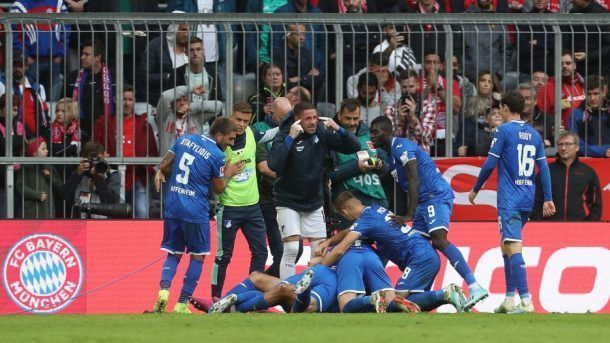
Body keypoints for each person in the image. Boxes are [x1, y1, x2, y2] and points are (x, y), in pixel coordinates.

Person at [369, 116, 488, 310]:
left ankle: (474, 286)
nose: (372, 135)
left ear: (388, 132)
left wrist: (408, 214)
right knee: (420, 249)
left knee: (439, 239)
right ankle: (427, 295)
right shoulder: (390, 155)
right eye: (371, 132)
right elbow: (394, 175)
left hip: (435, 195)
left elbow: (414, 178)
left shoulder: (401, 147)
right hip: (424, 201)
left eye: (376, 131)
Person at [469, 91, 556, 313]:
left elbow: (490, 164)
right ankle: (509, 298)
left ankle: (526, 300)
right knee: (505, 244)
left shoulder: (503, 131)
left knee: (513, 245)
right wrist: (547, 197)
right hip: (528, 197)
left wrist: (475, 189)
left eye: (501, 108)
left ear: (506, 108)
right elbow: (543, 168)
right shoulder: (534, 135)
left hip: (510, 199)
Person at [319, 191, 467, 313]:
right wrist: (329, 242)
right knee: (409, 305)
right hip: (426, 253)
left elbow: (339, 250)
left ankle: (446, 293)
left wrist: (318, 270)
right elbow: (349, 230)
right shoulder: (376, 209)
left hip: (418, 257)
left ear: (344, 212)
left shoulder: (365, 221)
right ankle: (448, 296)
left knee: (393, 303)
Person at [151, 117, 242, 314]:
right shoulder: (217, 155)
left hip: (173, 205)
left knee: (173, 253)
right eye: (230, 139)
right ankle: (182, 304)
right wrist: (228, 173)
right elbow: (218, 189)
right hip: (195, 210)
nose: (232, 144)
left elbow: (165, 165)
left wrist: (165, 174)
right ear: (218, 136)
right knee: (197, 257)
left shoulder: (184, 139)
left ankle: (164, 292)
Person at [267, 101, 360, 278]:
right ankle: (286, 295)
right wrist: (290, 138)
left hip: (314, 202)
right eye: (307, 118)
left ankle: (310, 293)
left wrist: (338, 128)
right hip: (288, 201)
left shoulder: (321, 133)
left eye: (315, 117)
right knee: (292, 248)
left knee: (318, 251)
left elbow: (354, 146)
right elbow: (274, 164)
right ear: (297, 120)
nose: (312, 122)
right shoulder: (285, 134)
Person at [211, 102, 279, 299]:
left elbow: (274, 132)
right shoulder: (218, 145)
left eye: (245, 121)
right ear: (229, 117)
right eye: (237, 119)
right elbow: (215, 185)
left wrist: (293, 120)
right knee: (224, 257)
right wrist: (228, 174)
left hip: (252, 207)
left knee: (260, 253)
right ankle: (216, 297)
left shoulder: (253, 134)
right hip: (229, 208)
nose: (241, 125)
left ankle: (250, 296)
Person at [93, 85, 158, 218]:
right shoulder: (103, 123)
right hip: (111, 177)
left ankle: (140, 240)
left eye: (130, 100)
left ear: (134, 101)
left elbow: (152, 152)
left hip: (137, 177)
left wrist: (147, 168)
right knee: (113, 217)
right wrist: (101, 156)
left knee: (141, 214)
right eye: (124, 99)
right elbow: (94, 147)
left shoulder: (144, 125)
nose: (127, 103)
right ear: (116, 99)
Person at [329, 98, 388, 230]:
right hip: (350, 201)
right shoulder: (331, 137)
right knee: (353, 245)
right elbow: (330, 175)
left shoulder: (368, 133)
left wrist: (380, 165)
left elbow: (386, 167)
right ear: (339, 116)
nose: (352, 123)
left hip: (378, 199)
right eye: (348, 118)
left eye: (355, 118)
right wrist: (357, 167)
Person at [253, 97, 294, 277]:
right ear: (273, 114)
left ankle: (263, 287)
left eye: (290, 116)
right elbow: (263, 167)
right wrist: (293, 176)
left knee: (295, 251)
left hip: (290, 198)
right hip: (268, 198)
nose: (287, 120)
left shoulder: (295, 128)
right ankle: (263, 289)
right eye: (283, 117)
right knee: (279, 251)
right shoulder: (260, 130)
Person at [203, 262, 338, 314]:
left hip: (316, 296)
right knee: (257, 277)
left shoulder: (334, 276)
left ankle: (233, 307)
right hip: (314, 277)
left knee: (283, 290)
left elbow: (337, 252)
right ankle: (223, 303)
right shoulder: (319, 269)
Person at [532, 131, 602, 221]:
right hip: (549, 227)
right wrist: (538, 221)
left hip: (580, 227)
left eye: (568, 144)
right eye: (560, 144)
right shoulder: (546, 171)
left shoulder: (588, 172)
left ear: (577, 147)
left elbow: (596, 203)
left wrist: (590, 223)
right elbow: (535, 199)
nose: (563, 148)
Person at [167, 36, 224, 126]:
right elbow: (170, 100)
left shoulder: (212, 75)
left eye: (198, 49)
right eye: (191, 50)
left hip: (207, 129)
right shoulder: (177, 74)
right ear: (186, 52)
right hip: (184, 127)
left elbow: (218, 102)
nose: (195, 53)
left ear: (203, 51)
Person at [65, 39, 115, 141]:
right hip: (78, 133)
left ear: (98, 57)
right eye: (82, 54)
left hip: (105, 133)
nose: (82, 57)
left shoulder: (114, 78)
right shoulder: (72, 77)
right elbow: (64, 103)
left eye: (87, 54)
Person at [61, 141, 120, 218]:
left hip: (103, 224)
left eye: (99, 160)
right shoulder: (79, 173)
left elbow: (112, 201)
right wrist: (77, 174)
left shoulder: (111, 174)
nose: (95, 163)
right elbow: (65, 196)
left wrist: (99, 177)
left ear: (104, 157)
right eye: (92, 160)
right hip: (80, 223)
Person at [16, 137, 63, 219]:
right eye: (43, 149)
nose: (47, 151)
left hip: (49, 210)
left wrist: (49, 176)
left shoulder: (50, 168)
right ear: (34, 153)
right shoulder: (26, 168)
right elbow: (20, 187)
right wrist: (36, 195)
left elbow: (60, 187)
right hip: (31, 211)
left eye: (46, 148)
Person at [567, 75, 610, 157]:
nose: (592, 98)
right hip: (587, 162)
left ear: (604, 92)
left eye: (596, 94)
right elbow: (575, 144)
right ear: (584, 92)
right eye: (589, 94)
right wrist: (603, 151)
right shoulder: (576, 114)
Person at [0, 94, 25, 217]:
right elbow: (2, 145)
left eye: (15, 109)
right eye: (9, 108)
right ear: (1, 109)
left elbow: (26, 145)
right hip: (1, 178)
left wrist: (13, 141)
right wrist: (18, 140)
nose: (12, 112)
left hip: (18, 176)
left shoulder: (19, 125)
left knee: (17, 213)